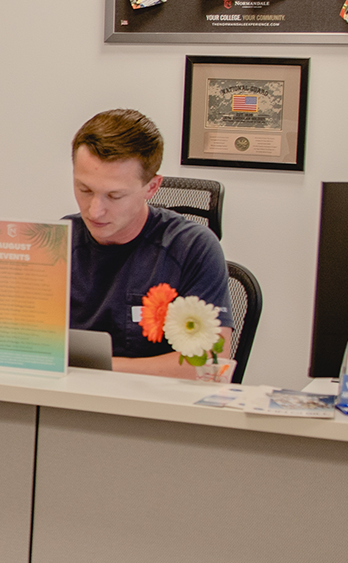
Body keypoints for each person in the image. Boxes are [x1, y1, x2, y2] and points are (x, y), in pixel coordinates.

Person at [68, 109, 231, 378]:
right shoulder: (58, 242)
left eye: (115, 196)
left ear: (152, 187)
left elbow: (210, 362)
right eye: (84, 190)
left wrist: (97, 369)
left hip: (157, 408)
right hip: (66, 403)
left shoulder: (193, 248)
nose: (94, 211)